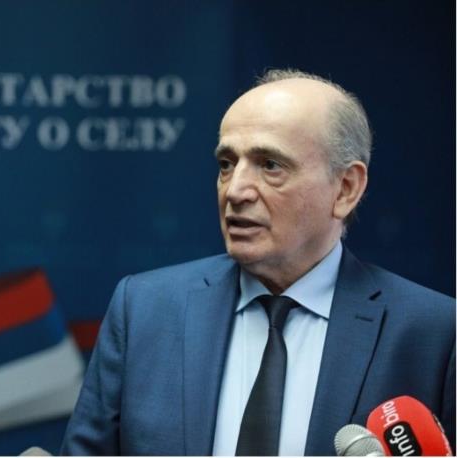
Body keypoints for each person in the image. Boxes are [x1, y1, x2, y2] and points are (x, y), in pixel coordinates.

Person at [60, 69, 455, 456]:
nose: (235, 191)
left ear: (345, 189)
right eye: (226, 164)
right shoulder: (145, 310)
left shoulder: (433, 333)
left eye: (270, 165)